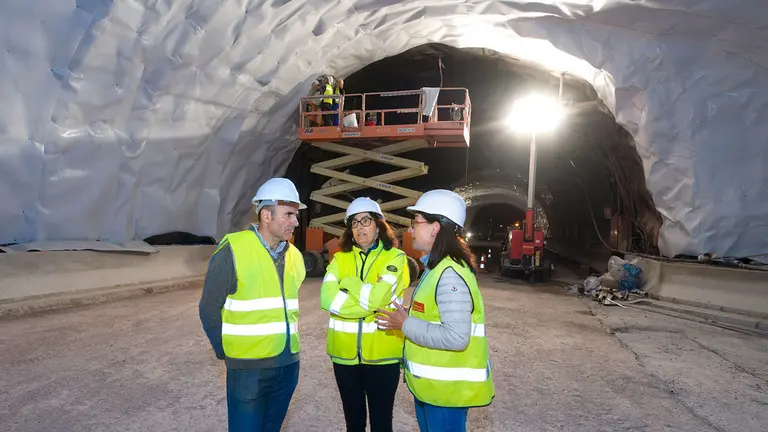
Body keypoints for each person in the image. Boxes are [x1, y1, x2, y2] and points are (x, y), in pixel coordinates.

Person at [376, 190, 495, 432]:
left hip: (446, 395)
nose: (410, 230)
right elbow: (435, 314)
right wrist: (408, 313)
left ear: (435, 228)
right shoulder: (436, 267)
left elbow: (456, 337)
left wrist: (406, 323)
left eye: (415, 222)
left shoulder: (450, 273)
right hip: (435, 390)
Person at [199, 177, 307, 432]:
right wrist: (225, 351)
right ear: (266, 215)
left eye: (295, 215)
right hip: (248, 369)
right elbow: (209, 307)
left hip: (287, 365)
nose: (295, 221)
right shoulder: (233, 250)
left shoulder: (296, 256)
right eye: (289, 214)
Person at [320, 197, 410, 432]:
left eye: (366, 220)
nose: (360, 227)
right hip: (344, 357)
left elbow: (377, 300)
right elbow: (326, 299)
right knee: (353, 422)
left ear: (378, 224)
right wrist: (369, 296)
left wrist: (348, 283)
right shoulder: (340, 258)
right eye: (354, 223)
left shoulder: (395, 258)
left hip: (383, 356)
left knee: (382, 423)